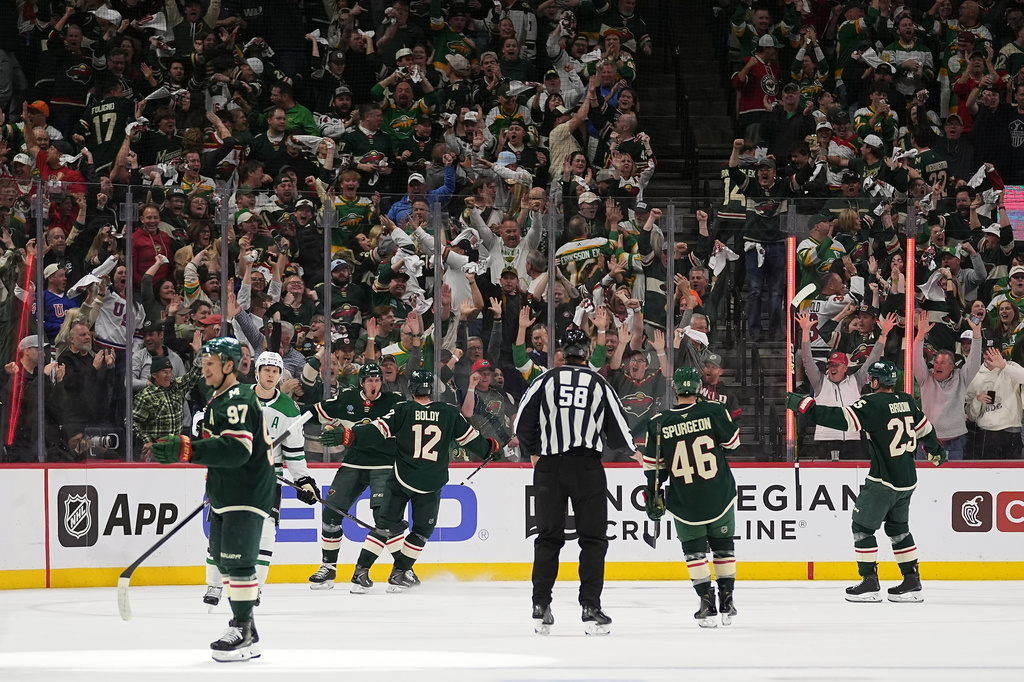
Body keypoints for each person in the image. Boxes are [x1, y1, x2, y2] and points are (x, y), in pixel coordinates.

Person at [149, 337, 274, 662]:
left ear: (229, 366)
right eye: (203, 364)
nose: (204, 371)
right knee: (224, 560)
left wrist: (188, 448)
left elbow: (237, 450)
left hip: (245, 491)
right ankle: (250, 631)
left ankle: (242, 629)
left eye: (210, 365)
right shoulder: (219, 398)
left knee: (239, 562)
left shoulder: (238, 397)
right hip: (227, 490)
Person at [787, 360, 948, 604]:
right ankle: (912, 582)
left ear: (875, 381)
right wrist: (936, 451)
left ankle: (870, 582)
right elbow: (926, 429)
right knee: (898, 530)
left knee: (862, 528)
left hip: (883, 480)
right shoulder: (906, 400)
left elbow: (839, 418)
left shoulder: (872, 403)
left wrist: (805, 405)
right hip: (907, 480)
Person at [514, 328, 639, 636]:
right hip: (587, 468)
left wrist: (534, 452)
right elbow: (619, 430)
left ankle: (540, 605)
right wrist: (634, 452)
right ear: (586, 353)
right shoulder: (598, 382)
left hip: (549, 467)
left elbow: (520, 422)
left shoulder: (544, 380)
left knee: (548, 537)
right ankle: (590, 607)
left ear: (562, 353)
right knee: (593, 540)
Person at [332, 370, 498, 592]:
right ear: (431, 389)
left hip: (401, 478)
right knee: (420, 531)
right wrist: (491, 449)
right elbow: (473, 441)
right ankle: (399, 573)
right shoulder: (449, 413)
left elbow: (375, 431)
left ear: (411, 389)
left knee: (384, 526)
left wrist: (349, 436)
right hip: (431, 482)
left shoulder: (402, 410)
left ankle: (360, 573)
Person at [202, 351, 317, 607]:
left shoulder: (288, 408)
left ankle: (255, 587)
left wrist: (304, 480)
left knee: (265, 534)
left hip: (267, 479)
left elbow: (294, 454)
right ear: (257, 371)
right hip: (233, 475)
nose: (270, 375)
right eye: (266, 370)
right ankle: (215, 584)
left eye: (275, 372)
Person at [642, 367, 741, 628]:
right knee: (723, 548)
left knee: (695, 552)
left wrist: (652, 495)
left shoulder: (660, 422)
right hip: (719, 494)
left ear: (674, 389)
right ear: (699, 388)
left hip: (684, 500)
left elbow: (654, 469)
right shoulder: (714, 410)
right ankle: (727, 600)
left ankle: (706, 602)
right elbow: (733, 443)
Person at [309, 362, 406, 591]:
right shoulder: (347, 398)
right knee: (330, 514)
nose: (374, 384)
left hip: (384, 465)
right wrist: (289, 416)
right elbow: (313, 412)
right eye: (370, 380)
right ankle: (329, 567)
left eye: (378, 380)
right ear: (362, 382)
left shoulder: (395, 402)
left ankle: (401, 571)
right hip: (353, 463)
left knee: (385, 519)